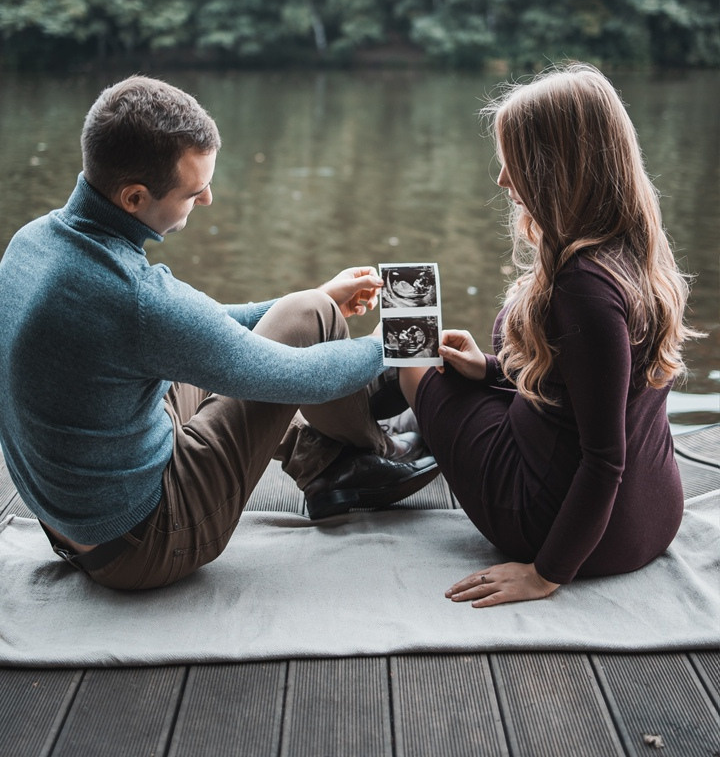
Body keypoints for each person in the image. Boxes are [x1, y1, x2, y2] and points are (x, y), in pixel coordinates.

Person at [0, 76, 438, 591]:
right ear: (135, 197)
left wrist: (314, 296)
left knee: (308, 310)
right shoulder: (132, 295)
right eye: (193, 189)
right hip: (146, 544)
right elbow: (300, 379)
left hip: (74, 525)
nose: (207, 197)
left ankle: (330, 464)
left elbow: (193, 329)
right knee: (310, 320)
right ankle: (378, 454)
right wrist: (411, 329)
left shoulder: (34, 242)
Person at [396, 63, 701, 608]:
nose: (502, 180)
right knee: (455, 368)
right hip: (653, 515)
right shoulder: (635, 253)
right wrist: (490, 369)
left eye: (513, 162)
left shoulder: (582, 285)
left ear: (554, 166)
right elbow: (590, 385)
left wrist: (545, 573)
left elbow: (605, 456)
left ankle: (367, 459)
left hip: (562, 527)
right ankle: (408, 433)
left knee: (413, 362)